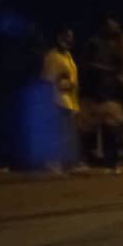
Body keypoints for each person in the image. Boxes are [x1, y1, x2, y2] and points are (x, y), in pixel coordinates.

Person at [79, 14, 123, 168]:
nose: (114, 26)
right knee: (109, 127)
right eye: (111, 23)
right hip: (102, 92)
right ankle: (112, 160)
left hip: (122, 90)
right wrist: (112, 73)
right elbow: (89, 66)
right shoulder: (95, 43)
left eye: (115, 23)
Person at [40, 26, 80, 169]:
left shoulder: (67, 56)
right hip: (57, 99)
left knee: (66, 133)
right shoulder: (53, 56)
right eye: (66, 36)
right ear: (58, 37)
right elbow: (49, 80)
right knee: (59, 132)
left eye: (71, 37)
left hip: (68, 99)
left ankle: (65, 163)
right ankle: (53, 162)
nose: (69, 40)